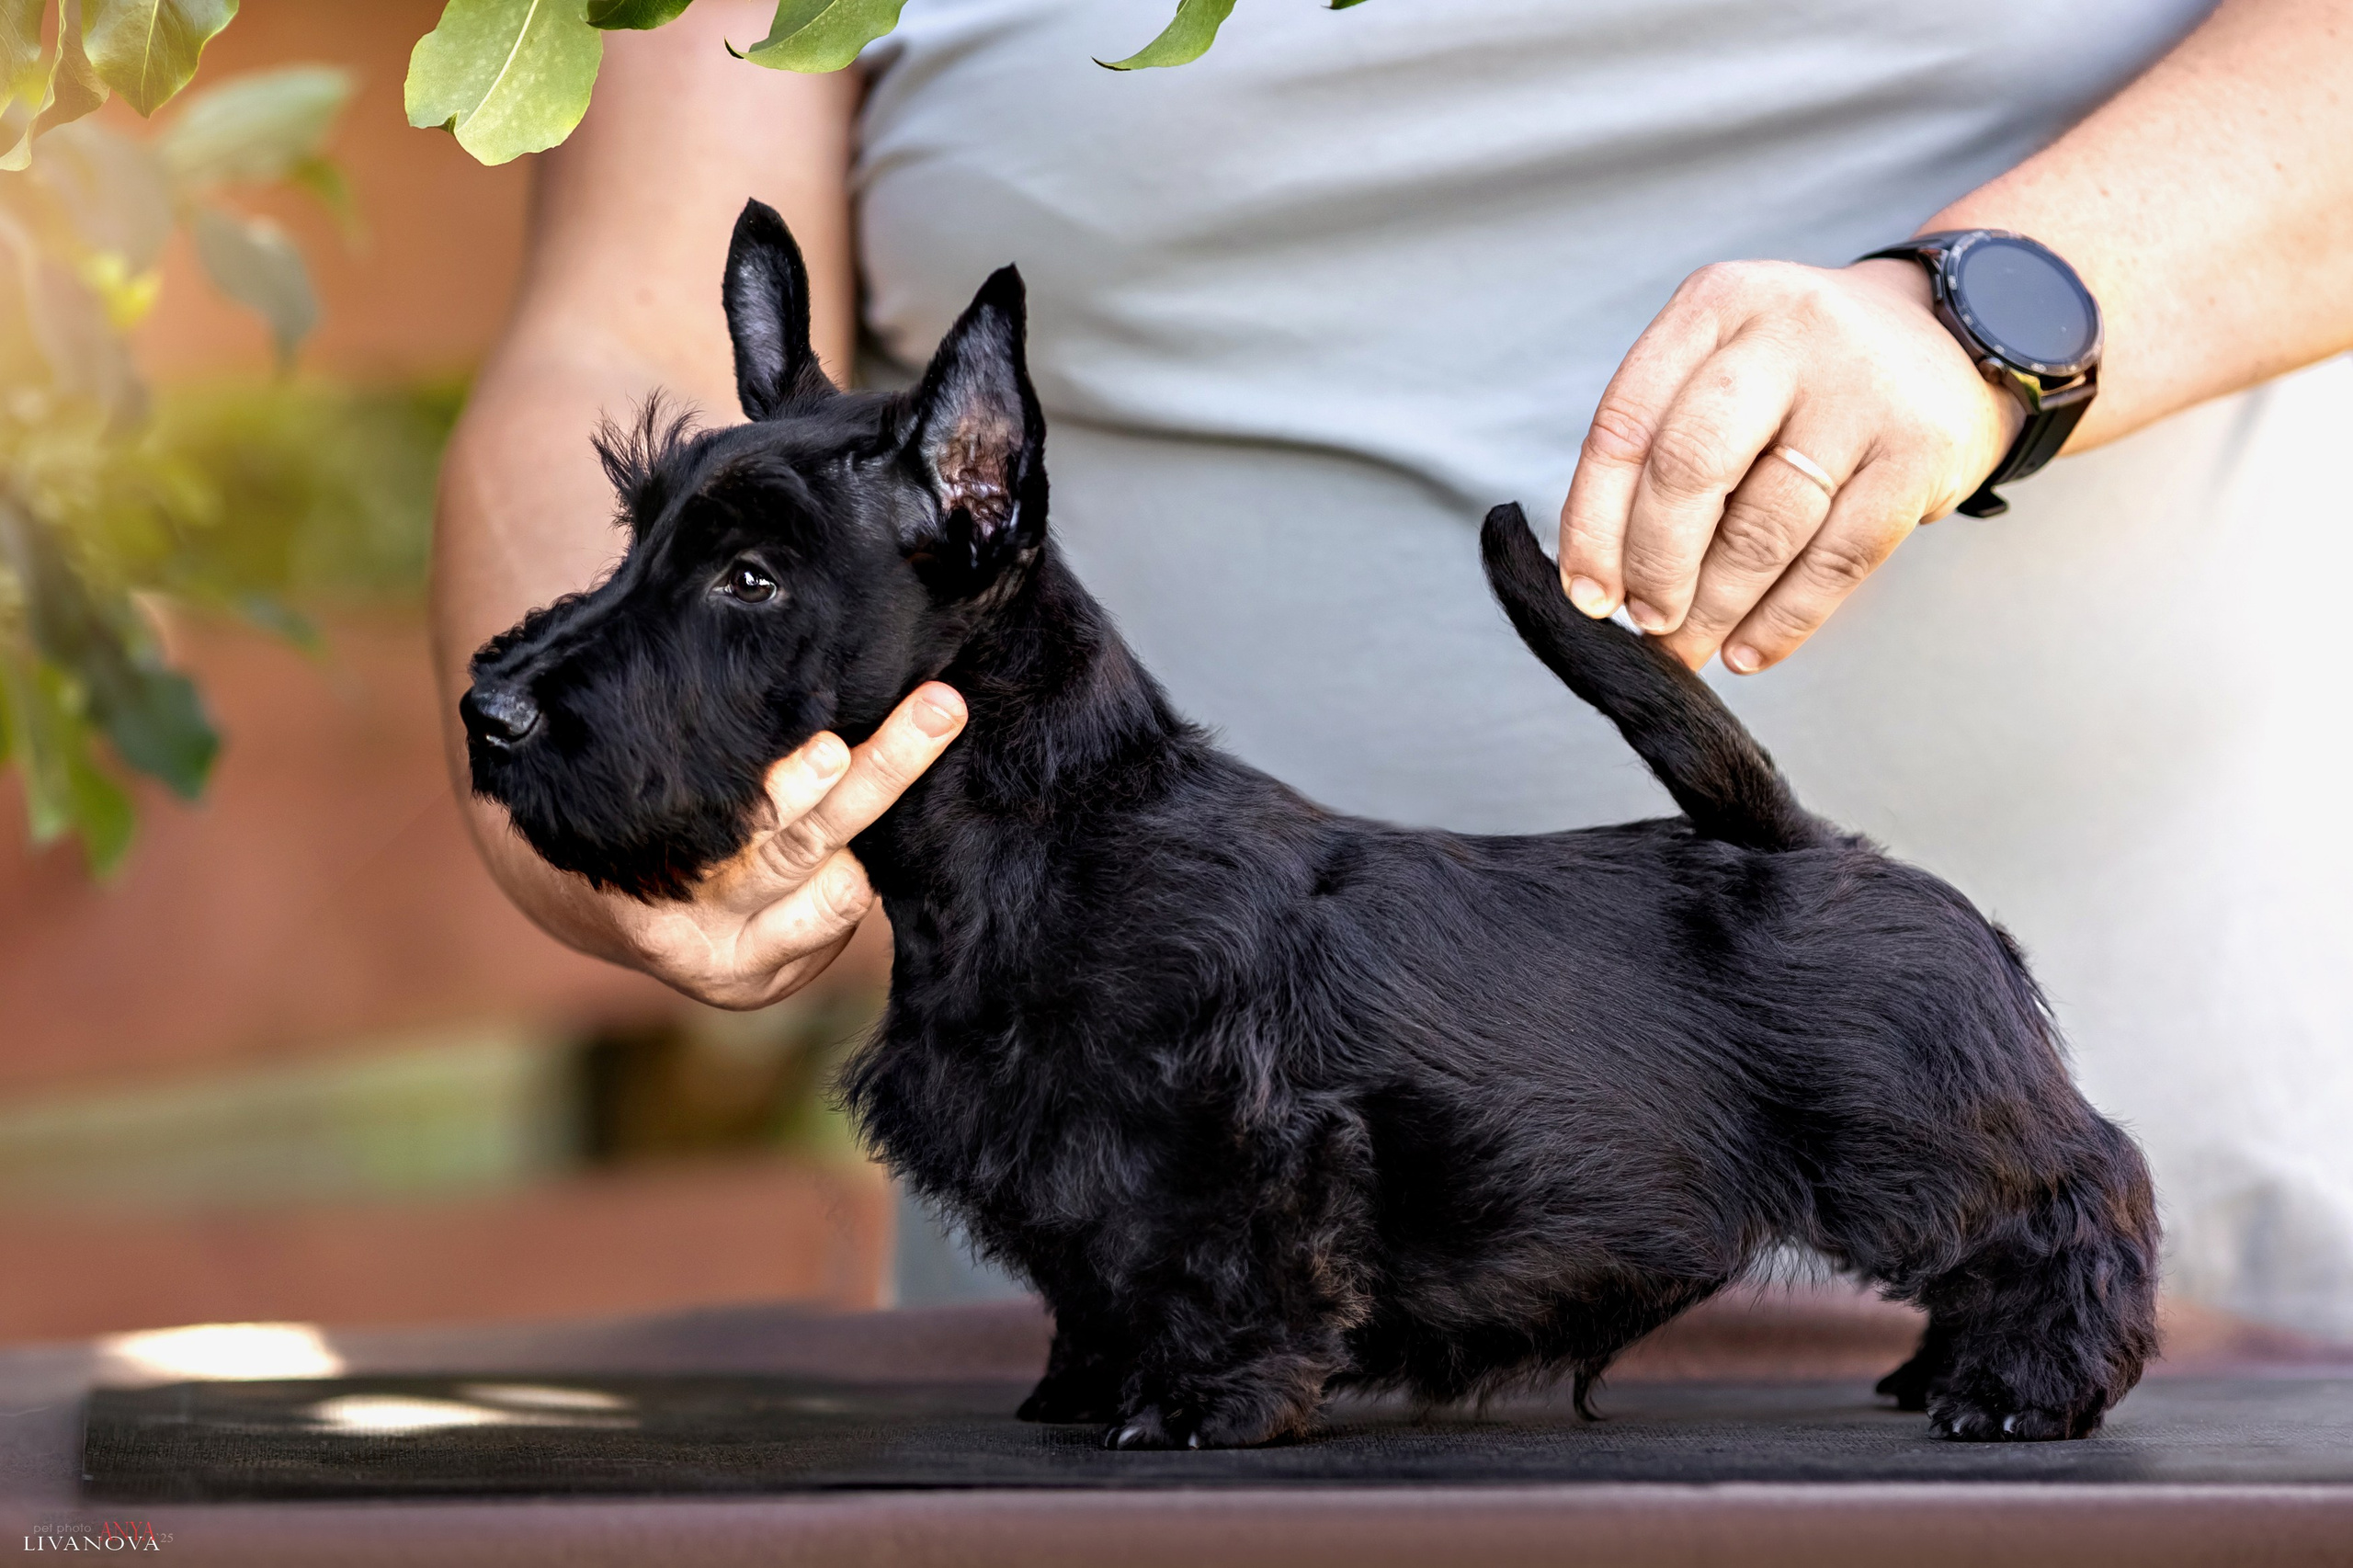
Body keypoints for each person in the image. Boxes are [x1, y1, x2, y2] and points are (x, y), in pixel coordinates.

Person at [433, 0, 2353, 1330]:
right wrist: (580, 814)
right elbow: (617, 333)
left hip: (2179, 1290)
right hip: (1173, 1289)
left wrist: (1995, 310)